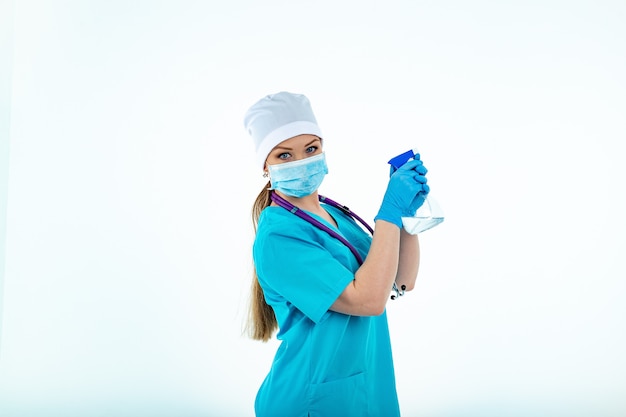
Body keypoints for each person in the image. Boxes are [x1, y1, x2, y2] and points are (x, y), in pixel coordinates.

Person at [243, 91, 430, 417]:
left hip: (367, 386)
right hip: (312, 400)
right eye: (285, 155)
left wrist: (404, 220)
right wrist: (388, 212)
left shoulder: (334, 213)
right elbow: (368, 300)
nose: (301, 161)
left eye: (311, 148)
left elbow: (401, 281)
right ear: (265, 165)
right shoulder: (278, 236)